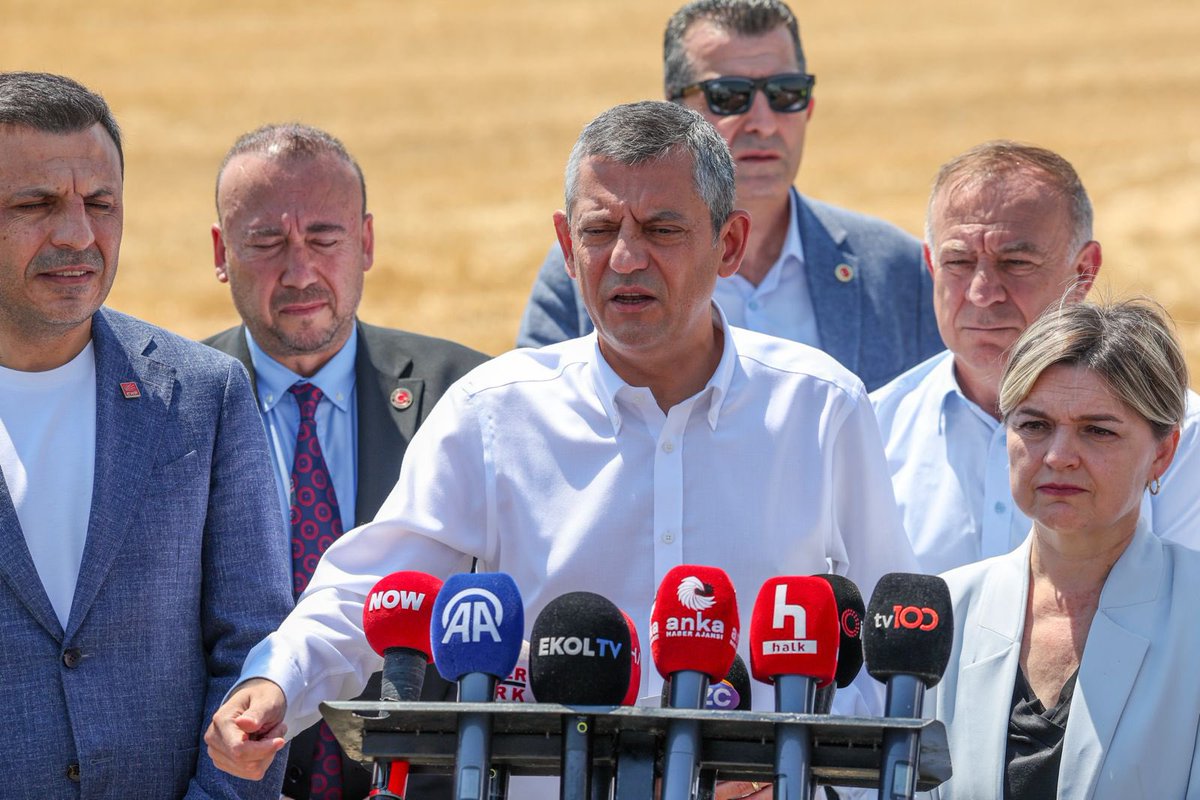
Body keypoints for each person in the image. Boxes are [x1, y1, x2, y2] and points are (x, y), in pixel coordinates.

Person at [206, 100, 918, 799]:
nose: (626, 258)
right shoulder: (494, 414)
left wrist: (787, 763)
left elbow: (893, 658)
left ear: (728, 243)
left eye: (662, 229)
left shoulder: (820, 408)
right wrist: (274, 684)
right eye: (599, 230)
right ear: (566, 245)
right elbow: (370, 593)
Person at [0, 72, 293, 798]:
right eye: (36, 204)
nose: (78, 234)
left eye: (100, 204)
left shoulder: (204, 396)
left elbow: (255, 652)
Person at [204, 123, 488, 800]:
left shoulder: (468, 396)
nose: (299, 272)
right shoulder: (172, 407)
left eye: (324, 238)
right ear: (221, 252)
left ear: (366, 242)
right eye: (266, 242)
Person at [516, 0, 943, 391]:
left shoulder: (898, 271)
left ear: (808, 107)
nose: (763, 123)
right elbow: (534, 423)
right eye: (730, 96)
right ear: (674, 113)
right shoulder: (586, 268)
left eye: (785, 93)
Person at [871, 141, 1200, 574]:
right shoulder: (871, 429)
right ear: (932, 265)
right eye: (959, 261)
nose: (982, 292)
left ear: (1084, 270)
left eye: (1015, 262)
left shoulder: (1184, 439)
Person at [929, 299, 1200, 799]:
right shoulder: (945, 610)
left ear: (1162, 453)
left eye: (1097, 431)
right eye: (1034, 425)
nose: (1058, 456)